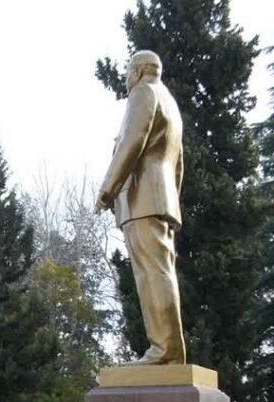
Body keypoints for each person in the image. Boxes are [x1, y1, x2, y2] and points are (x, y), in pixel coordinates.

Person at [95, 50, 186, 366]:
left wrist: (108, 189)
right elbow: (178, 163)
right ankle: (167, 349)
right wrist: (171, 201)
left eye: (127, 73)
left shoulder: (143, 93)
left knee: (151, 275)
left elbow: (132, 142)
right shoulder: (169, 102)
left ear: (137, 72)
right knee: (159, 272)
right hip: (160, 199)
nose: (125, 79)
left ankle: (164, 350)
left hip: (142, 198)